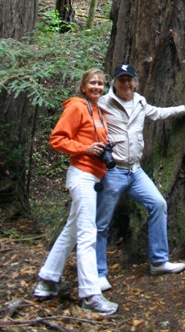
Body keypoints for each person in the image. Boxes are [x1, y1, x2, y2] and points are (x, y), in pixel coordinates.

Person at [96, 63, 185, 290]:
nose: (126, 84)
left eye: (129, 79)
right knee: (101, 223)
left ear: (135, 81)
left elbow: (159, 113)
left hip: (135, 171)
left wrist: (183, 108)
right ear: (114, 82)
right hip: (113, 172)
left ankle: (159, 261)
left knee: (158, 204)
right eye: (121, 79)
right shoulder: (102, 104)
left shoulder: (140, 102)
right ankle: (99, 272)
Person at [34, 68, 119, 316]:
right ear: (83, 86)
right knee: (87, 233)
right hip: (81, 174)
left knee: (71, 230)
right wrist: (85, 149)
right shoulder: (77, 107)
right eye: (92, 83)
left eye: (101, 84)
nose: (96, 87)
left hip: (93, 175)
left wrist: (102, 147)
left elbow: (92, 142)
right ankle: (91, 294)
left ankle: (47, 280)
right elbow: (57, 139)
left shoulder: (98, 112)